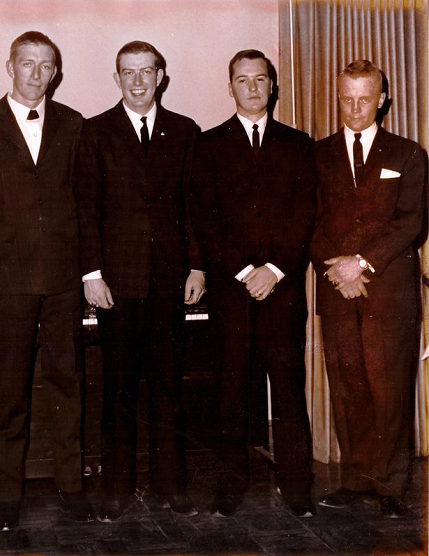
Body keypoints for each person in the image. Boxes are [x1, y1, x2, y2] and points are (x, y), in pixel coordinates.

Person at [0, 31, 93, 530]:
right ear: (9, 66)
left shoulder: (74, 124)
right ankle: (6, 497)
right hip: (9, 280)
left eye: (46, 66)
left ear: (55, 73)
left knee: (68, 385)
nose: (36, 74)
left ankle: (72, 486)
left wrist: (87, 273)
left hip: (63, 279)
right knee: (9, 391)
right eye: (27, 64)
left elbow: (84, 201)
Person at [75, 40, 203, 522]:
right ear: (117, 78)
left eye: (145, 71)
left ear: (161, 76)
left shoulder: (185, 131)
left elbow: (192, 206)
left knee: (169, 388)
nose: (137, 80)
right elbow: (85, 207)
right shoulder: (95, 132)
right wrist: (91, 273)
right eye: (127, 72)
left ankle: (170, 485)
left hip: (171, 280)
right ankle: (116, 489)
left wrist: (197, 265)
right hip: (116, 284)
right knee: (118, 388)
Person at [189, 49, 317, 518]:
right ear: (230, 88)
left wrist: (276, 271)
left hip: (282, 292)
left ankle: (297, 487)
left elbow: (305, 214)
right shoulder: (208, 145)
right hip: (232, 291)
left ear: (272, 86)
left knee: (287, 390)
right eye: (242, 80)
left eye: (260, 79)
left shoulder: (298, 143)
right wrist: (245, 272)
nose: (252, 87)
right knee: (231, 392)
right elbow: (205, 218)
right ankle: (230, 487)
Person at [310, 59, 426, 518]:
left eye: (365, 99)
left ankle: (391, 487)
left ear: (382, 99)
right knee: (347, 385)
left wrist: (360, 263)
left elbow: (410, 221)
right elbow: (310, 221)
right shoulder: (317, 154)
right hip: (336, 289)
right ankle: (357, 479)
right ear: (337, 97)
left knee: (389, 388)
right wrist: (337, 270)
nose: (355, 109)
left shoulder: (408, 154)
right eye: (346, 98)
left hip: (388, 290)